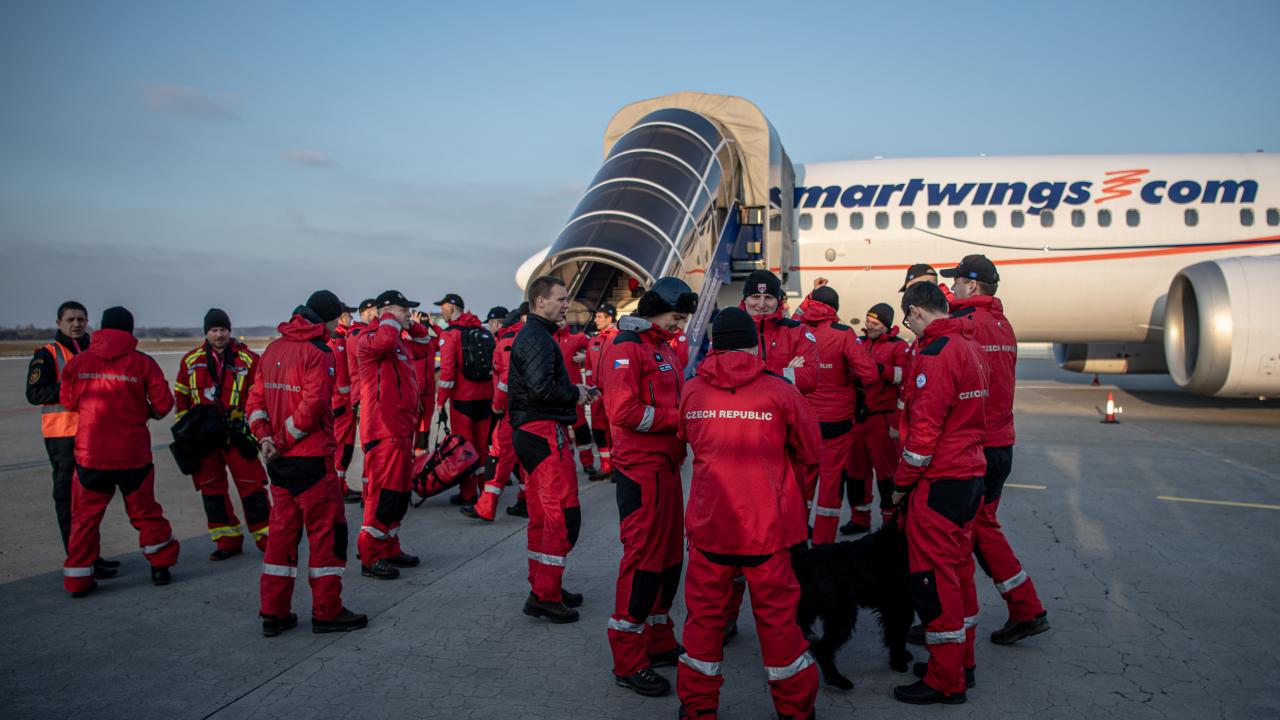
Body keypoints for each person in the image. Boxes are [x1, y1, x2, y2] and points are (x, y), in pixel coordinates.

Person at [676, 307, 822, 720]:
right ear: (752, 343)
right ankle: (795, 710)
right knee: (778, 623)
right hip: (767, 529)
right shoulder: (780, 391)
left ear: (714, 344)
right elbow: (811, 454)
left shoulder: (692, 391)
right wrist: (789, 495)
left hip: (710, 528)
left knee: (703, 622)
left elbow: (686, 439)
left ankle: (698, 709)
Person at [942, 255, 1050, 645]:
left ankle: (1009, 610)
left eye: (956, 282)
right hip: (1001, 442)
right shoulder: (1003, 325)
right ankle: (1024, 607)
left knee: (965, 533)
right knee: (981, 528)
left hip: (977, 446)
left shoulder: (968, 325)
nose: (952, 288)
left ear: (972, 286)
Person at [599, 279, 697, 698]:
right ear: (657, 309)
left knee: (670, 558)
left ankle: (658, 639)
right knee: (642, 562)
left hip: (666, 468)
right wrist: (679, 421)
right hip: (640, 470)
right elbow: (622, 411)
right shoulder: (627, 347)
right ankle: (628, 659)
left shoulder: (663, 347)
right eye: (676, 317)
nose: (680, 326)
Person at [890, 281, 987, 704]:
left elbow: (923, 434)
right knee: (960, 572)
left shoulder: (937, 354)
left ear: (915, 312)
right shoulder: (971, 346)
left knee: (934, 581)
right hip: (969, 474)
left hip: (939, 481)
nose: (908, 327)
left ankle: (945, 680)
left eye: (907, 319)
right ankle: (962, 662)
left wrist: (900, 485)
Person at [248, 291, 367, 636]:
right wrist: (281, 440)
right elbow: (313, 407)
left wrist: (265, 438)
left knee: (281, 538)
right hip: (310, 460)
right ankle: (327, 611)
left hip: (279, 463)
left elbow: (256, 400)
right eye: (335, 320)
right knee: (326, 534)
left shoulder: (271, 349)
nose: (336, 327)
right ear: (325, 319)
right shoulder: (320, 352)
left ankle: (274, 612)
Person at [60, 307, 179, 596]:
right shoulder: (142, 363)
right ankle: (160, 566)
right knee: (146, 513)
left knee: (85, 519)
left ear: (100, 328)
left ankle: (77, 579)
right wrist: (143, 412)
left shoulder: (78, 362)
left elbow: (67, 401)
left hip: (91, 454)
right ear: (130, 329)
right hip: (132, 454)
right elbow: (164, 404)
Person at [508, 276, 595, 624]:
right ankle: (544, 594)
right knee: (561, 515)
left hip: (535, 429)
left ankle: (545, 584)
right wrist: (575, 394)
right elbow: (541, 388)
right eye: (560, 299)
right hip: (542, 431)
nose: (565, 304)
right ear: (540, 301)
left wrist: (574, 389)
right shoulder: (537, 338)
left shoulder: (538, 336)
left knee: (544, 516)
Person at [25, 301, 120, 578]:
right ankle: (78, 560)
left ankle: (92, 555)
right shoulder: (48, 354)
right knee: (68, 500)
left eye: (81, 319)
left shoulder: (95, 350)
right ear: (59, 323)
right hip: (63, 437)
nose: (76, 324)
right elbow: (35, 393)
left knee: (90, 501)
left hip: (94, 435)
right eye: (70, 320)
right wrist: (75, 386)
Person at [173, 308, 271, 560]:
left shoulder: (248, 359)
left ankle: (268, 540)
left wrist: (257, 430)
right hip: (203, 438)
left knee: (252, 487)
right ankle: (226, 540)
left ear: (230, 331)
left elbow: (259, 396)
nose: (219, 334)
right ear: (206, 332)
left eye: (223, 329)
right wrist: (185, 430)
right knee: (212, 491)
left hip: (237, 435)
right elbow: (181, 396)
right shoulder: (190, 360)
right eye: (214, 330)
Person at [356, 290, 434, 580]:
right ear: (386, 311)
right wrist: (389, 318)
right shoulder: (369, 339)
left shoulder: (400, 343)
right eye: (404, 311)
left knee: (398, 495)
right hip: (383, 429)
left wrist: (411, 325)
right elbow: (384, 341)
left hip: (402, 429)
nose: (408, 315)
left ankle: (389, 546)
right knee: (381, 494)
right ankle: (370, 555)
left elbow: (426, 346)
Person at [795, 286, 879, 544]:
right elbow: (870, 375)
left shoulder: (796, 330)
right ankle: (822, 546)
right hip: (837, 424)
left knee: (802, 487)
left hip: (804, 421)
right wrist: (847, 375)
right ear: (835, 309)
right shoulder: (842, 334)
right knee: (830, 489)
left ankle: (796, 542)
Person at [841, 303, 910, 535]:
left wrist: (880, 369)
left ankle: (890, 521)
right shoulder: (859, 343)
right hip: (858, 418)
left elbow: (904, 376)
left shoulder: (898, 347)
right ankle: (859, 518)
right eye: (868, 321)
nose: (869, 326)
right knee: (856, 473)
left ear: (887, 325)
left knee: (886, 475)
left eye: (875, 323)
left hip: (882, 419)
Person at [466, 303, 528, 521]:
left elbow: (505, 381)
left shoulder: (507, 342)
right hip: (527, 410)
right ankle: (525, 500)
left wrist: (498, 406)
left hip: (510, 410)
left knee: (498, 457)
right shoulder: (529, 339)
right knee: (523, 458)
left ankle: (486, 507)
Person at [434, 293, 495, 506]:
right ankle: (487, 490)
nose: (441, 312)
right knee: (482, 447)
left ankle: (468, 493)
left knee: (464, 448)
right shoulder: (482, 331)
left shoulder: (450, 335)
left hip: (463, 399)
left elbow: (448, 373)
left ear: (452, 308)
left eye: (442, 308)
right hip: (486, 396)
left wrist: (441, 401)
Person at [339, 298, 378, 503]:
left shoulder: (364, 333)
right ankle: (368, 493)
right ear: (367, 312)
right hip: (364, 398)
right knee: (369, 446)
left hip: (368, 396)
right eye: (376, 310)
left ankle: (371, 489)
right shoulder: (356, 335)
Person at [555, 318, 597, 474]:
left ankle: (588, 463)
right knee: (562, 432)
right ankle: (567, 464)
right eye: (558, 321)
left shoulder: (576, 338)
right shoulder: (548, 340)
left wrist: (585, 358)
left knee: (581, 429)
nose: (560, 323)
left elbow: (597, 346)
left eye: (563, 320)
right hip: (558, 395)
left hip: (576, 393)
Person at [328, 301, 360, 504]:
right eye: (349, 316)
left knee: (344, 446)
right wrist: (352, 403)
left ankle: (340, 485)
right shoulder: (338, 340)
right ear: (341, 317)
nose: (352, 319)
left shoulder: (341, 338)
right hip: (342, 405)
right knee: (343, 445)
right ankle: (338, 487)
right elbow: (342, 379)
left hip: (339, 404)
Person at [583, 304, 618, 481]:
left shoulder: (619, 339)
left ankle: (618, 467)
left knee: (615, 430)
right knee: (598, 430)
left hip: (614, 392)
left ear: (609, 318)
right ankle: (606, 466)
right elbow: (588, 365)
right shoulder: (594, 340)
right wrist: (590, 386)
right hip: (596, 393)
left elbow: (622, 364)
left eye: (599, 317)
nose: (595, 320)